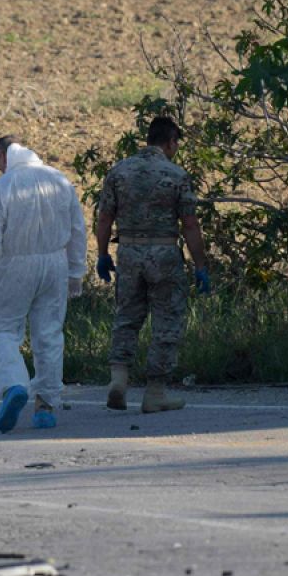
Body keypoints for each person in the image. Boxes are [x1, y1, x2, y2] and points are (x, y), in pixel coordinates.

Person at [94, 116, 211, 414]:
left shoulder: (119, 172)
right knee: (166, 320)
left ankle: (119, 380)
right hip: (164, 255)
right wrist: (200, 265)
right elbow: (190, 225)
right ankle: (155, 392)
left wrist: (103, 254)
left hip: (129, 253)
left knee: (127, 317)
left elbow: (104, 218)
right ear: (171, 141)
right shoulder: (176, 175)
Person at [0, 136, 89, 433]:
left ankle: (14, 384)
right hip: (55, 265)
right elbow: (78, 229)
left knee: (0, 329)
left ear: (3, 157)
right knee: (49, 334)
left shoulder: (2, 187)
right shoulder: (59, 180)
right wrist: (75, 271)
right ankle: (45, 407)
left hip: (13, 266)